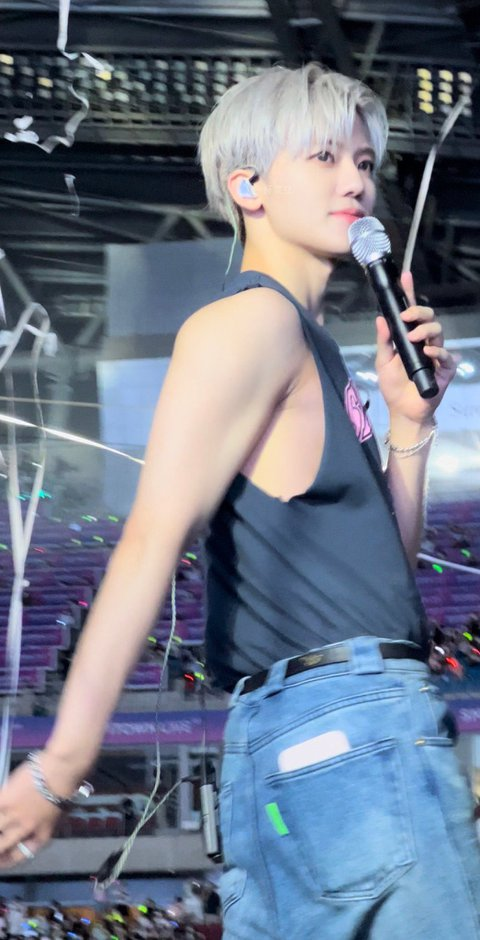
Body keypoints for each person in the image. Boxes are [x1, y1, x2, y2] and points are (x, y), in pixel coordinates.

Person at [0, 62, 478, 938]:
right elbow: (151, 537)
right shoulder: (251, 323)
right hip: (351, 724)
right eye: (324, 156)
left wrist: (411, 423)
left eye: (364, 162)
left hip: (316, 729)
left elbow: (385, 580)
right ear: (247, 186)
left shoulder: (305, 343)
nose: (355, 181)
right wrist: (58, 766)